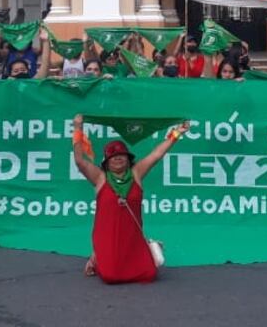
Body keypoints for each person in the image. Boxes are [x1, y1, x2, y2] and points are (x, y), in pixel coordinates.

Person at [71, 114, 190, 283]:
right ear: (107, 162)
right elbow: (80, 161)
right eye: (113, 156)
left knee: (149, 275)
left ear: (128, 159)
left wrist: (177, 133)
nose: (118, 158)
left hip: (132, 236)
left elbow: (156, 155)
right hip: (107, 237)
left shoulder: (136, 173)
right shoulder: (100, 178)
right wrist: (77, 128)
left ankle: (147, 249)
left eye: (122, 155)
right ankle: (96, 257)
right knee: (111, 276)